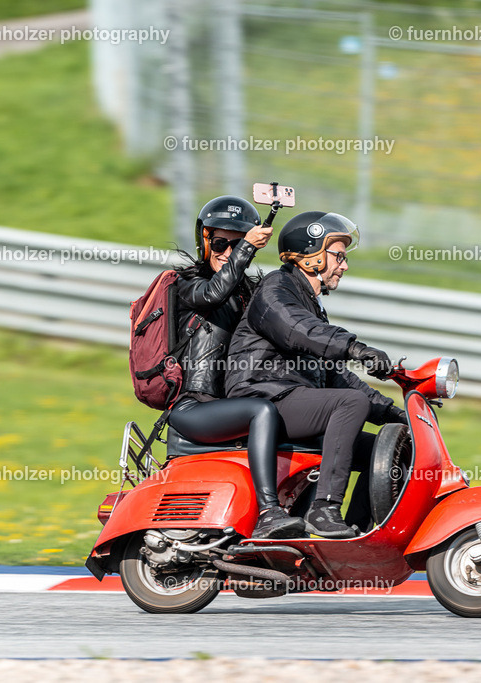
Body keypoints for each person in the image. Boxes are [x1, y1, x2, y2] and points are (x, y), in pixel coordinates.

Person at [225, 210, 407, 539]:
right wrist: (356, 349)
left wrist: (393, 413)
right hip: (263, 396)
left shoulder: (308, 302)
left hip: (294, 401)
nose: (345, 265)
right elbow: (301, 330)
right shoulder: (275, 293)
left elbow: (336, 376)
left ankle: (360, 535)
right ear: (311, 257)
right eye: (338, 255)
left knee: (385, 448)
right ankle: (324, 509)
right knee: (349, 404)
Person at [168, 195, 304, 539]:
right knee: (261, 412)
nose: (227, 251)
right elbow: (214, 293)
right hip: (194, 407)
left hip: (228, 406)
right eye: (220, 243)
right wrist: (246, 248)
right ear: (204, 240)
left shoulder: (248, 293)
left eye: (237, 245)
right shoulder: (186, 285)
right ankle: (269, 512)